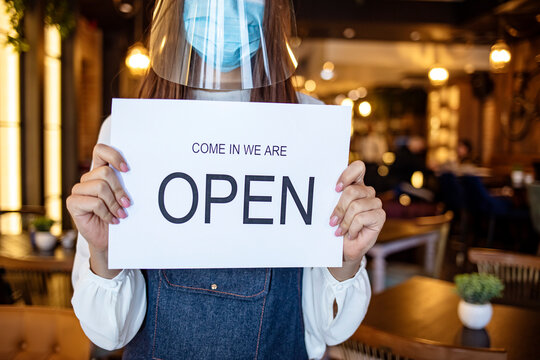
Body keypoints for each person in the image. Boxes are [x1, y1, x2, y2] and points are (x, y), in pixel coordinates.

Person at [66, 1, 386, 358]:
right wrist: (104, 250)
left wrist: (345, 258)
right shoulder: (130, 131)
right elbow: (109, 334)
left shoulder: (310, 121)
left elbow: (329, 327)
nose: (228, 8)